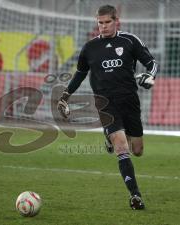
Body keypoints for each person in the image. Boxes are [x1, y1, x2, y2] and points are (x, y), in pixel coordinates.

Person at [57, 5, 158, 210]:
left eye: (107, 22)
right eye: (100, 23)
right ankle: (135, 196)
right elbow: (79, 74)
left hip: (130, 101)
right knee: (121, 146)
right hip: (105, 103)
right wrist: (64, 97)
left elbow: (152, 63)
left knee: (137, 150)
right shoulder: (89, 48)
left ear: (116, 21)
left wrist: (150, 76)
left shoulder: (130, 40)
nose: (103, 27)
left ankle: (113, 137)